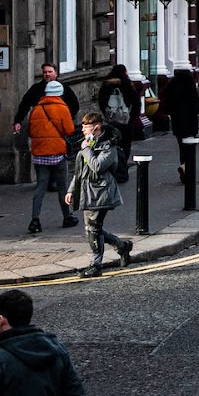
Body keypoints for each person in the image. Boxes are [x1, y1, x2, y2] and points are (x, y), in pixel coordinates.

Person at [64, 112, 132, 278]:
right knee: (91, 230)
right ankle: (122, 246)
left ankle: (96, 265)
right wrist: (71, 190)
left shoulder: (110, 146)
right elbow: (80, 172)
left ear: (97, 128)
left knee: (94, 228)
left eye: (86, 127)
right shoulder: (88, 144)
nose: (82, 130)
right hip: (87, 193)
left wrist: (86, 149)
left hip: (102, 192)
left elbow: (97, 166)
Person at [24, 81, 76, 235]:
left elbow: (31, 132)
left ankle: (35, 219)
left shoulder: (36, 109)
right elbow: (70, 130)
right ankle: (67, 217)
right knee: (62, 186)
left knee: (41, 186)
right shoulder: (62, 108)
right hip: (57, 152)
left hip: (40, 154)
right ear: (59, 93)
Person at [12, 64, 78, 137]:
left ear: (55, 73)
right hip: (41, 127)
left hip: (58, 128)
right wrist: (18, 121)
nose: (47, 74)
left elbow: (74, 104)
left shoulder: (63, 88)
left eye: (50, 72)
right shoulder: (36, 88)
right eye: (45, 72)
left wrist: (66, 119)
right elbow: (24, 105)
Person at [161, 60, 199, 170]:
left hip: (177, 122)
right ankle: (187, 167)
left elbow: (166, 104)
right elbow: (197, 107)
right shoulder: (191, 88)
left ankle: (183, 163)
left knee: (181, 146)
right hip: (191, 123)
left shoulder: (172, 86)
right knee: (190, 146)